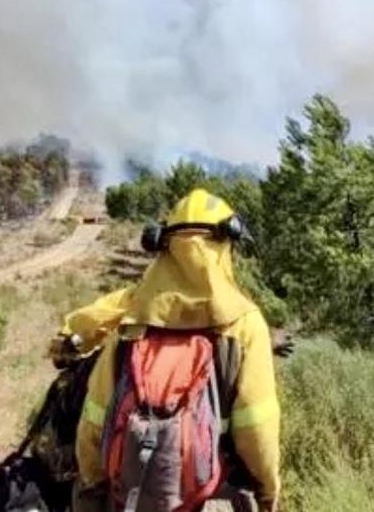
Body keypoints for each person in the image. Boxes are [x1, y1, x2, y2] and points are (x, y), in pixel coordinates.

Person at [58, 189, 281, 512]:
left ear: (165, 246)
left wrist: (92, 485)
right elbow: (257, 431)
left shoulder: (131, 321)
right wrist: (268, 493)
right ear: (224, 245)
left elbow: (95, 417)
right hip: (209, 495)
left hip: (129, 496)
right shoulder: (244, 324)